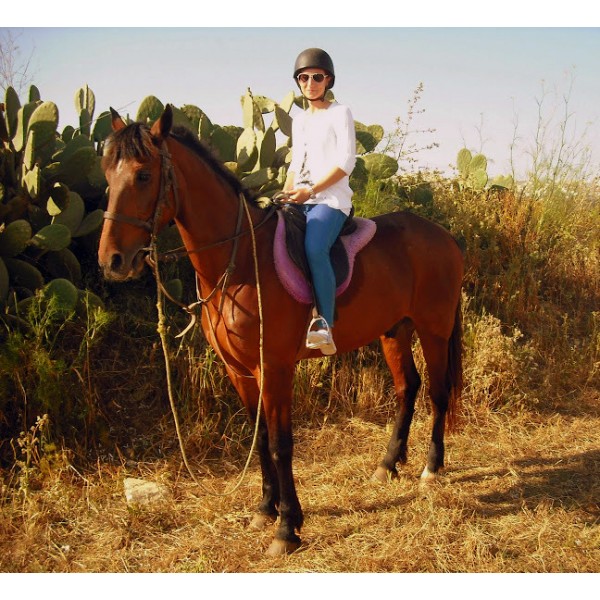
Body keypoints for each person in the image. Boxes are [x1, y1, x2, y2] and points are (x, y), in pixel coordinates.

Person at [283, 48, 357, 356]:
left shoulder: (340, 113)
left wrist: (311, 190)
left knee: (315, 247)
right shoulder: (299, 120)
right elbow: (295, 163)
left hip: (330, 200)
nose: (310, 83)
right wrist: (286, 192)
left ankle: (324, 324)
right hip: (300, 198)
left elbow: (346, 162)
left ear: (328, 80)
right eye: (304, 77)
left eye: (317, 77)